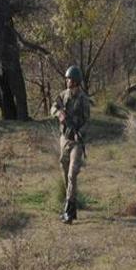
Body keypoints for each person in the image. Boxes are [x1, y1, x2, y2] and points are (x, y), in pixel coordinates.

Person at [50, 66, 90, 224]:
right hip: (64, 139)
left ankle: (68, 209)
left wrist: (80, 133)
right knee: (64, 169)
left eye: (70, 79)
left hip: (77, 142)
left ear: (77, 82)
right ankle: (71, 206)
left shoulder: (83, 99)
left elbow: (88, 121)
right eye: (67, 79)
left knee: (72, 173)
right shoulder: (63, 95)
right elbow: (53, 107)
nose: (68, 81)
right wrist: (58, 113)